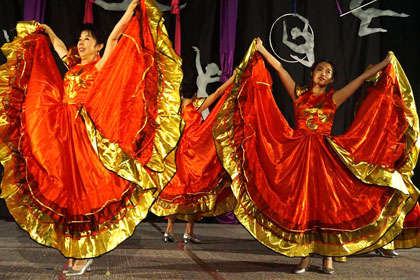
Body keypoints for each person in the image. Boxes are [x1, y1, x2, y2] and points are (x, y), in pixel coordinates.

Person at [0, 0, 182, 276]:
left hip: (85, 138)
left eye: (87, 39)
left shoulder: (98, 66)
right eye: (80, 39)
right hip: (61, 134)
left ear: (97, 48)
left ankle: (84, 254)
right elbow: (61, 47)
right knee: (65, 194)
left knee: (84, 197)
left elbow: (113, 38)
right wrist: (47, 30)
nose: (81, 43)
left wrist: (130, 13)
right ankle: (74, 253)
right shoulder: (72, 67)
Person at [212, 37, 419, 274]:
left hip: (325, 157)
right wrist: (261, 50)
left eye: (327, 72)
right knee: (302, 205)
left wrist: (385, 62)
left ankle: (328, 257)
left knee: (327, 206)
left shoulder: (333, 99)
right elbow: (279, 68)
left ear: (331, 79)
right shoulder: (299, 94)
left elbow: (361, 80)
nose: (323, 73)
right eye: (319, 69)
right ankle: (303, 256)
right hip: (298, 156)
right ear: (312, 74)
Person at [151, 71, 237, 243]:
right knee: (195, 194)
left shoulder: (173, 108)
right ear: (195, 93)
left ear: (181, 93)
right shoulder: (196, 106)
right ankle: (188, 232)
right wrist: (234, 78)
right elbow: (218, 93)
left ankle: (169, 230)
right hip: (194, 157)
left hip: (176, 158)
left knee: (176, 193)